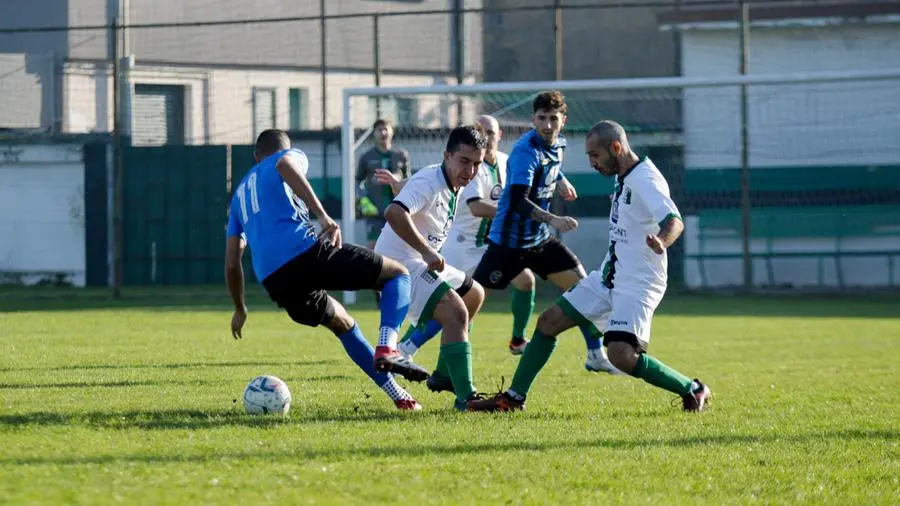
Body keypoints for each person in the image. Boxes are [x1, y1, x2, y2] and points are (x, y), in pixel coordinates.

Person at [467, 120, 712, 413]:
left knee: (621, 355)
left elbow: (675, 221)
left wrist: (662, 240)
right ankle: (513, 399)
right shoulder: (625, 175)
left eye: (595, 155)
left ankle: (692, 389)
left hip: (638, 283)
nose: (592, 163)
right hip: (609, 277)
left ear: (616, 148)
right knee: (548, 323)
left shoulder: (645, 179)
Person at [225, 129, 428, 412]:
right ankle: (387, 347)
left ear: (255, 156)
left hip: (274, 280)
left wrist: (240, 308)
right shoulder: (285, 158)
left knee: (343, 324)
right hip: (305, 251)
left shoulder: (238, 198)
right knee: (397, 274)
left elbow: (233, 263)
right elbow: (285, 166)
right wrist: (324, 217)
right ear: (285, 149)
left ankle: (399, 395)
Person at [471, 90, 620, 374]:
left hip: (538, 240)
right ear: (533, 120)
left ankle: (595, 353)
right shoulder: (525, 151)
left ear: (563, 120)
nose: (548, 125)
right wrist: (553, 219)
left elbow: (551, 164)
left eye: (554, 119)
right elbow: (516, 201)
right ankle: (409, 348)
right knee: (469, 302)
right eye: (542, 119)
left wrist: (561, 181)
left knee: (583, 287)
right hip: (509, 243)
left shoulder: (559, 144)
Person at [391, 115, 538, 359]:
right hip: (460, 245)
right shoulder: (470, 166)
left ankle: (517, 339)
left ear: (499, 135)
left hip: (490, 246)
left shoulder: (504, 162)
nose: (487, 137)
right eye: (482, 132)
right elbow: (475, 206)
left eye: (491, 132)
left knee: (524, 281)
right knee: (450, 305)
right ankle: (406, 347)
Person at [375, 125, 488, 411]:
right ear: (447, 155)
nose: (470, 170)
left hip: (417, 259)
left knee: (474, 294)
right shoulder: (430, 180)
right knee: (456, 312)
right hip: (398, 266)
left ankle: (443, 375)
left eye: (477, 163)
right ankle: (466, 399)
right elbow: (394, 212)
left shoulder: (452, 182)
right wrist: (427, 252)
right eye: (464, 161)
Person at [356, 118, 412, 250]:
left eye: (385, 129)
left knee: (401, 247)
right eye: (379, 129)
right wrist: (363, 199)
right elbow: (358, 181)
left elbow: (409, 179)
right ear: (374, 133)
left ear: (391, 132)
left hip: (398, 209)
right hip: (375, 212)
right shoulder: (366, 157)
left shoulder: (401, 155)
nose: (383, 132)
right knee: (374, 247)